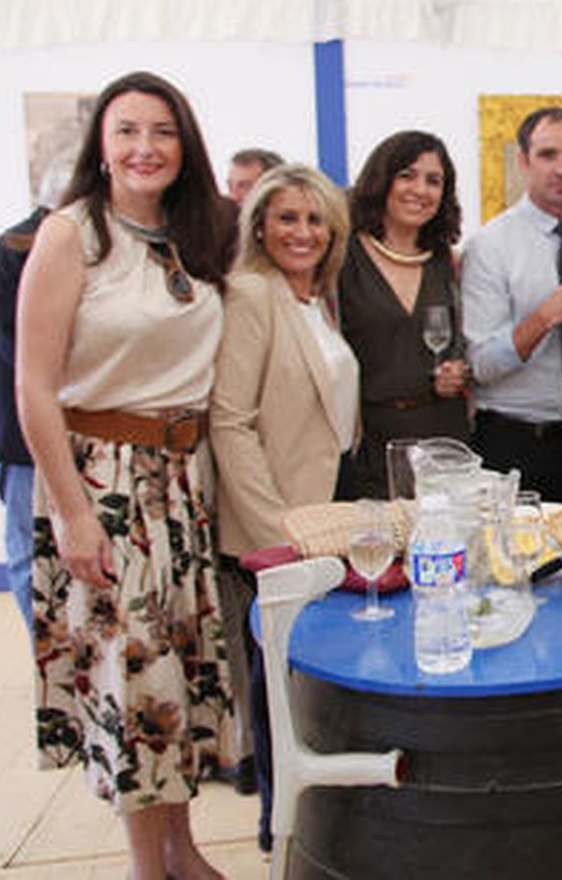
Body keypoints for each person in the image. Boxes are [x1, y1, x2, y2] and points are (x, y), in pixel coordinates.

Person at [15, 70, 233, 880]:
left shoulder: (195, 234)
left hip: (182, 482)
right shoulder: (71, 234)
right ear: (102, 147)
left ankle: (182, 851)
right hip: (104, 484)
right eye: (128, 131)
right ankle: (151, 869)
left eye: (163, 131)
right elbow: (33, 386)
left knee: (176, 674)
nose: (146, 147)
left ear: (185, 145)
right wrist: (73, 515)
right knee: (132, 680)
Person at [211, 164, 358, 850]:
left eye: (315, 219)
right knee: (275, 693)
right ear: (260, 225)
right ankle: (281, 832)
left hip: (323, 514)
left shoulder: (313, 299)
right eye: (287, 218)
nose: (302, 232)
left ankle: (313, 823)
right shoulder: (250, 293)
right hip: (277, 529)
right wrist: (275, 531)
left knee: (304, 686)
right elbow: (230, 422)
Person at [463, 107, 562, 504]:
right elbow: (481, 365)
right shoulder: (490, 245)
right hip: (510, 442)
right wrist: (545, 318)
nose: (561, 169)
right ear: (523, 161)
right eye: (547, 155)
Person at [338, 130, 471, 499]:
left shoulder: (446, 261)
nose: (421, 190)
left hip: (444, 435)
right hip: (371, 440)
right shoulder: (343, 256)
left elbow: (460, 341)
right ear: (383, 179)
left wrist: (459, 369)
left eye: (434, 180)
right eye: (407, 175)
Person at [0, 167, 66, 628]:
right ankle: (41, 645)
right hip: (19, 435)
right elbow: (23, 359)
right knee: (30, 551)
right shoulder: (17, 252)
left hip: (49, 430)